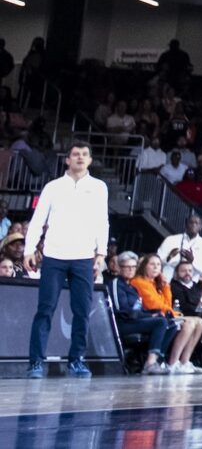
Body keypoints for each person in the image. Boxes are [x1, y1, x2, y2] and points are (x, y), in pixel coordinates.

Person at [21, 142, 108, 377]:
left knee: (81, 312)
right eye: (75, 154)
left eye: (85, 154)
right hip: (54, 256)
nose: (80, 158)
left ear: (90, 160)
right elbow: (38, 219)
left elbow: (102, 221)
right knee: (45, 310)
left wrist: (101, 254)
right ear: (67, 159)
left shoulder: (99, 187)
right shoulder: (53, 186)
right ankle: (35, 362)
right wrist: (29, 250)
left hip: (83, 257)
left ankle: (76, 360)